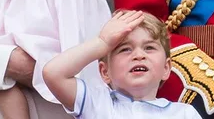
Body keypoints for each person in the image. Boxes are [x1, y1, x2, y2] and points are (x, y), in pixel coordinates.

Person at [43, 10, 202, 119]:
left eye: (149, 48)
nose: (139, 55)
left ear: (166, 68)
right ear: (105, 72)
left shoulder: (184, 114)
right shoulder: (97, 104)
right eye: (125, 49)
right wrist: (102, 42)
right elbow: (53, 73)